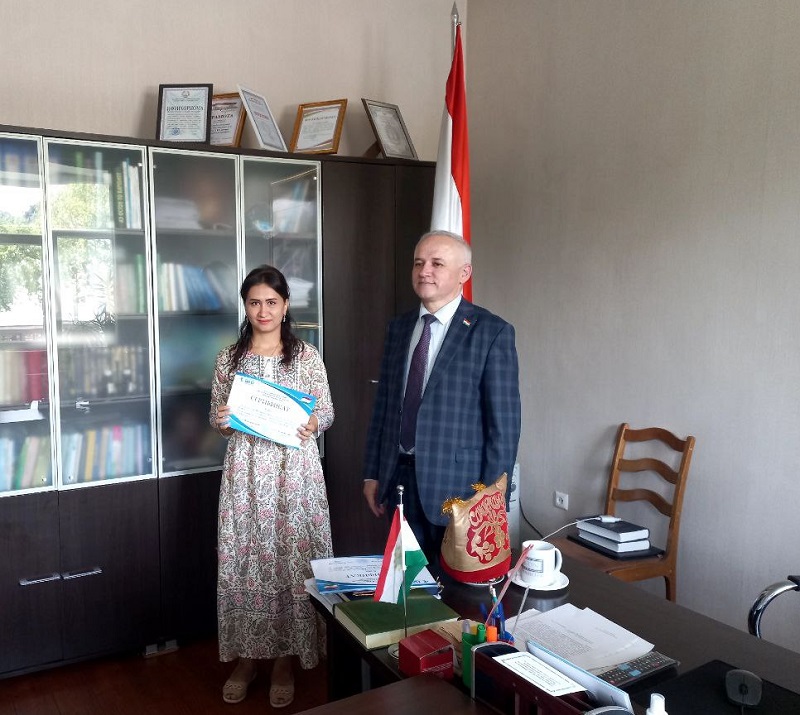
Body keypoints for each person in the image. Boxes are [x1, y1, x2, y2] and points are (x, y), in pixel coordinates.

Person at [210, 264, 334, 708]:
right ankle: (246, 660)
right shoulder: (229, 358)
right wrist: (223, 420)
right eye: (254, 302)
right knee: (244, 562)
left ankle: (284, 661)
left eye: (271, 302)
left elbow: (327, 411)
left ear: (285, 306)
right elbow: (218, 418)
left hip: (294, 476)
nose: (263, 311)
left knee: (289, 562)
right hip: (245, 475)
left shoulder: (306, 357)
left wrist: (314, 422)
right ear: (245, 306)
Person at [362, 230, 521, 564]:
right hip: (398, 480)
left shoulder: (491, 332)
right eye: (418, 263)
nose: (424, 271)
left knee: (454, 588)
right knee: (405, 583)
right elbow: (384, 407)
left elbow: (503, 427)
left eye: (437, 263)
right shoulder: (399, 328)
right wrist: (372, 473)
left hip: (459, 491)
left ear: (464, 273)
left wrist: (490, 501)